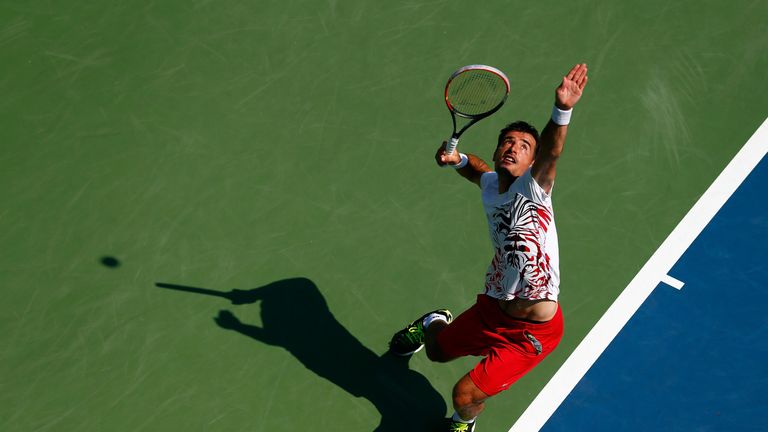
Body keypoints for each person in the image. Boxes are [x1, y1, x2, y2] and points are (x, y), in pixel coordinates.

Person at [389, 64, 589, 432]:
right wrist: (459, 160)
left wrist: (562, 111)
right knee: (436, 352)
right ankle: (434, 321)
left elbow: (553, 155)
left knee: (465, 395)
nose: (513, 148)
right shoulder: (491, 185)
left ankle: (462, 425)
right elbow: (479, 171)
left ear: (533, 161)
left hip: (532, 333)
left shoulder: (535, 188)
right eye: (507, 143)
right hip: (493, 310)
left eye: (524, 146)